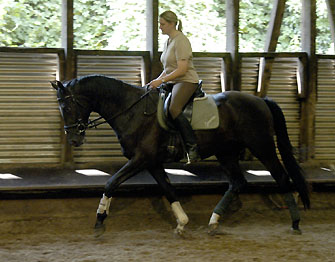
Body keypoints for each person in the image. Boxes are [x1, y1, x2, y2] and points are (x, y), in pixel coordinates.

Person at [148, 10, 200, 164]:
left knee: (173, 109)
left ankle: (192, 147)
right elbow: (168, 68)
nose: (160, 27)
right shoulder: (168, 41)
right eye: (159, 24)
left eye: (162, 24)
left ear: (171, 24)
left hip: (186, 80)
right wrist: (156, 81)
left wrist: (162, 81)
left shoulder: (181, 41)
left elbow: (182, 69)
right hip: (173, 80)